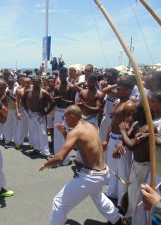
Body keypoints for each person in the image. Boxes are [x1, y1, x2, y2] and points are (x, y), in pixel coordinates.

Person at [39, 105, 126, 225]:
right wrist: (64, 132)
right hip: (103, 173)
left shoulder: (75, 132)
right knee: (98, 197)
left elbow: (60, 157)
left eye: (65, 117)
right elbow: (78, 146)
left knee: (59, 202)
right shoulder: (90, 126)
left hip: (92, 176)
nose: (64, 120)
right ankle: (118, 219)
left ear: (73, 116)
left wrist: (46, 164)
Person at [103, 76, 137, 207]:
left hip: (121, 141)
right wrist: (106, 139)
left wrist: (121, 143)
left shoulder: (130, 105)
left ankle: (122, 200)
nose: (116, 90)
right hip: (112, 138)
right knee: (112, 169)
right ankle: (112, 193)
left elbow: (128, 127)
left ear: (128, 90)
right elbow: (113, 122)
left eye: (119, 89)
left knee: (123, 170)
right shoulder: (118, 102)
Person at [22, 75, 54, 160]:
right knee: (33, 133)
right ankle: (36, 149)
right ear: (32, 82)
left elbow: (52, 102)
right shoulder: (27, 91)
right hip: (31, 114)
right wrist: (26, 109)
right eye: (34, 81)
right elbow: (22, 100)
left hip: (40, 116)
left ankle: (46, 152)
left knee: (43, 133)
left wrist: (46, 112)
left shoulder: (44, 92)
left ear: (41, 82)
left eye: (38, 81)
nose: (36, 82)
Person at [53, 67, 76, 165]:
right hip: (58, 112)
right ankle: (57, 156)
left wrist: (62, 99)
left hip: (66, 113)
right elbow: (55, 100)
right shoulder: (56, 88)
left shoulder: (71, 87)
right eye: (60, 75)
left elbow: (73, 102)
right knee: (57, 135)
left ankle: (65, 159)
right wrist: (56, 98)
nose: (62, 77)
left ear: (66, 75)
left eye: (63, 75)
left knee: (65, 135)